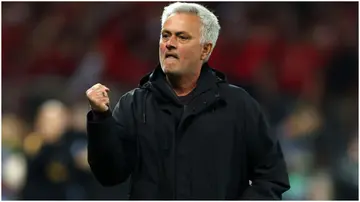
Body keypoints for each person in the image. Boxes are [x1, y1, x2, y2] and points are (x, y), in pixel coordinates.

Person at [86, 2, 290, 199]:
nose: (170, 44)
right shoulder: (134, 104)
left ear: (205, 50)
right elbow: (110, 175)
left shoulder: (238, 105)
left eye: (182, 37)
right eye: (165, 35)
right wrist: (101, 119)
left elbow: (271, 177)